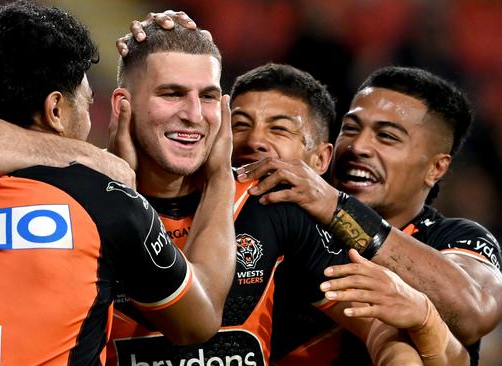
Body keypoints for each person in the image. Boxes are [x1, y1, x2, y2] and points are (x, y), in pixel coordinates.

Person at [0, 2, 238, 364]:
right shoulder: (103, 200)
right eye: (86, 103)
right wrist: (220, 177)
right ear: (55, 109)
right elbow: (198, 322)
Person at [105, 23, 462, 366]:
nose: (194, 115)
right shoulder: (86, 205)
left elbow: (380, 330)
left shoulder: (272, 202)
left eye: (209, 96)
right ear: (123, 104)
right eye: (172, 94)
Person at [236, 66, 502, 364]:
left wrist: (339, 209)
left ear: (436, 168)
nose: (358, 146)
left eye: (387, 136)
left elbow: (474, 312)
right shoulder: (283, 220)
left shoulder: (455, 238)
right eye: (350, 129)